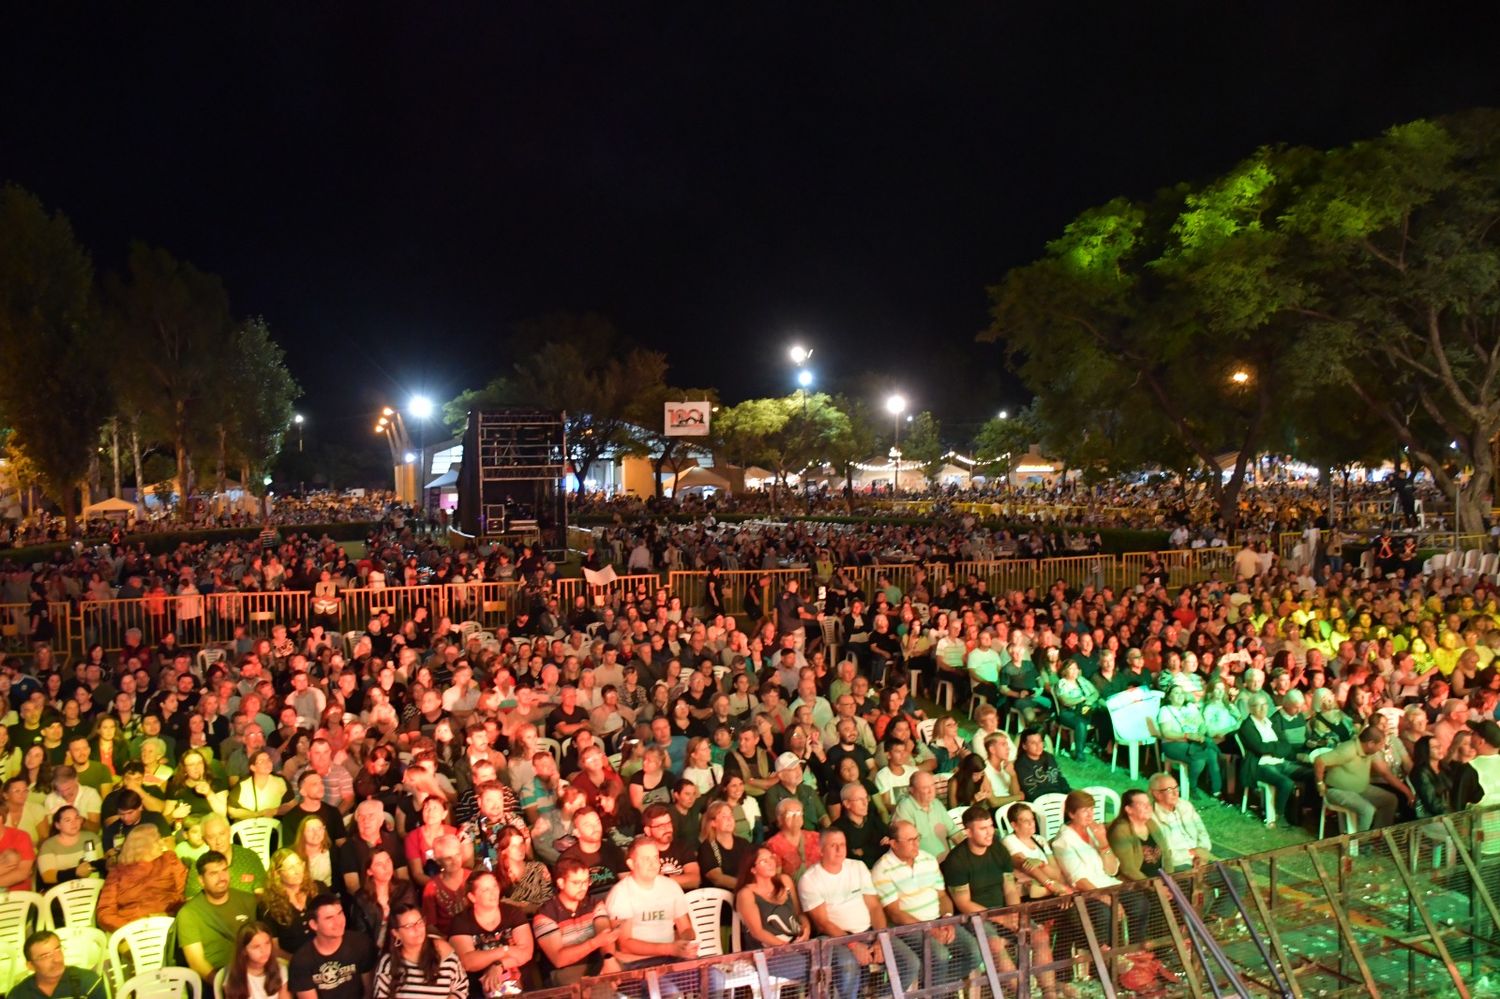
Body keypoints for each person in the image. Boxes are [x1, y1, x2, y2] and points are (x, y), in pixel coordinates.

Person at [946, 805, 1066, 999]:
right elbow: (964, 903)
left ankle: (1049, 993)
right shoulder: (957, 861)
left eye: (991, 826)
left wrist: (1014, 912)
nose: (989, 832)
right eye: (982, 828)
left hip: (1004, 911)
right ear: (968, 832)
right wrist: (1001, 918)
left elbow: (1009, 887)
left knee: (1040, 937)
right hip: (975, 917)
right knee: (995, 945)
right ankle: (1023, 993)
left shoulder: (997, 848)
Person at [798, 829, 916, 999]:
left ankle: (880, 996)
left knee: (910, 962)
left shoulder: (857, 867)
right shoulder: (810, 879)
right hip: (834, 939)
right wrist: (853, 945)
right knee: (848, 965)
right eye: (833, 845)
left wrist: (880, 939)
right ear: (821, 850)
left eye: (842, 845)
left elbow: (875, 906)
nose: (839, 849)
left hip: (869, 932)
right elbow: (823, 923)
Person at [873, 819, 982, 992]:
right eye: (910, 840)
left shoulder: (928, 859)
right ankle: (935, 990)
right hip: (908, 928)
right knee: (940, 955)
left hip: (939, 921)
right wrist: (929, 929)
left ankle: (932, 988)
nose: (917, 843)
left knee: (975, 952)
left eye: (917, 838)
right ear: (893, 843)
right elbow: (894, 914)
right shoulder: (882, 869)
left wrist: (947, 920)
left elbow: (943, 896)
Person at [602, 837, 696, 969]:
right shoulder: (621, 893)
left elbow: (686, 928)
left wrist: (686, 943)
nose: (653, 864)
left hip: (671, 958)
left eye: (655, 857)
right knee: (668, 988)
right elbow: (625, 944)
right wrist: (670, 948)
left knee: (714, 979)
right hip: (637, 964)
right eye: (646, 859)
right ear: (631, 864)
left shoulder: (671, 886)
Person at [531, 856, 623, 987]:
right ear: (561, 883)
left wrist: (609, 958)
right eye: (576, 883)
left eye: (586, 881)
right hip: (562, 975)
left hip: (596, 968)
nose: (583, 887)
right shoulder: (545, 915)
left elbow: (604, 932)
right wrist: (595, 942)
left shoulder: (595, 904)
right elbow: (559, 959)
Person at [177, 850, 261, 985]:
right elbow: (197, 962)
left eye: (224, 870)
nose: (221, 877)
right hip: (216, 980)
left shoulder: (248, 900)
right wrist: (223, 985)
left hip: (252, 973)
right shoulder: (189, 914)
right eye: (213, 873)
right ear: (201, 880)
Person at [450, 869, 535, 996]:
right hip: (478, 989)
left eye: (494, 886)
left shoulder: (513, 913)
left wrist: (498, 965)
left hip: (520, 985)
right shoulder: (461, 921)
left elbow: (526, 953)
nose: (493, 893)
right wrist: (505, 950)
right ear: (472, 897)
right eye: (485, 890)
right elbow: (468, 962)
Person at [1314, 725, 1415, 832]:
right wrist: (1320, 784)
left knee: (1390, 800)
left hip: (1361, 789)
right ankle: (1359, 844)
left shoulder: (1369, 751)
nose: (1382, 748)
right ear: (1371, 743)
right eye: (1380, 744)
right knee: (1367, 810)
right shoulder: (1348, 750)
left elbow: (1386, 773)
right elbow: (1320, 760)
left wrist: (1407, 792)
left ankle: (1377, 837)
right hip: (1337, 790)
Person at [97, 824, 187, 931]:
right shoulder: (117, 873)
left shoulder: (169, 859)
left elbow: (181, 895)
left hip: (168, 924)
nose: (162, 843)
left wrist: (167, 916)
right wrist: (135, 927)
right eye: (157, 840)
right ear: (142, 846)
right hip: (131, 932)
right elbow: (105, 913)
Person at [288, 893, 377, 999]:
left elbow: (369, 991)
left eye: (340, 913)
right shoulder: (302, 960)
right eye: (329, 918)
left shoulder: (361, 943)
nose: (338, 922)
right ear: (314, 925)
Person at [374, 901, 468, 999]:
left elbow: (461, 988)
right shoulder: (388, 963)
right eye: (409, 926)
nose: (417, 929)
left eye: (419, 922)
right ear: (396, 933)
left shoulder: (445, 956)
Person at [1154, 684, 1221, 799]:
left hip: (1194, 741)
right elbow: (1166, 733)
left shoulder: (1190, 707)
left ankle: (1217, 791)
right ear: (1169, 697)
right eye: (1176, 693)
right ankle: (1192, 787)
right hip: (1173, 743)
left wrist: (1199, 734)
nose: (1180, 695)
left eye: (1181, 693)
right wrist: (1188, 735)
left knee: (1211, 753)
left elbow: (1202, 724)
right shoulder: (1165, 710)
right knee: (1199, 759)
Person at [7, 930, 106, 999]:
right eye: (45, 956)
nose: (56, 959)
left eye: (57, 950)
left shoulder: (88, 982)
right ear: (31, 966)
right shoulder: (18, 995)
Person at [220, 920, 291, 999]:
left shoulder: (280, 969)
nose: (264, 950)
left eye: (267, 943)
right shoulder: (233, 976)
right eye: (256, 947)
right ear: (244, 951)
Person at [1014, 729, 1070, 800]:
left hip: (1059, 796)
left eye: (1040, 741)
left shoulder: (1049, 757)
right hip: (1042, 801)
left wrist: (1068, 793)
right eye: (1033, 743)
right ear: (1024, 746)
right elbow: (1031, 793)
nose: (1038, 746)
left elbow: (1060, 778)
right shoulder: (1021, 765)